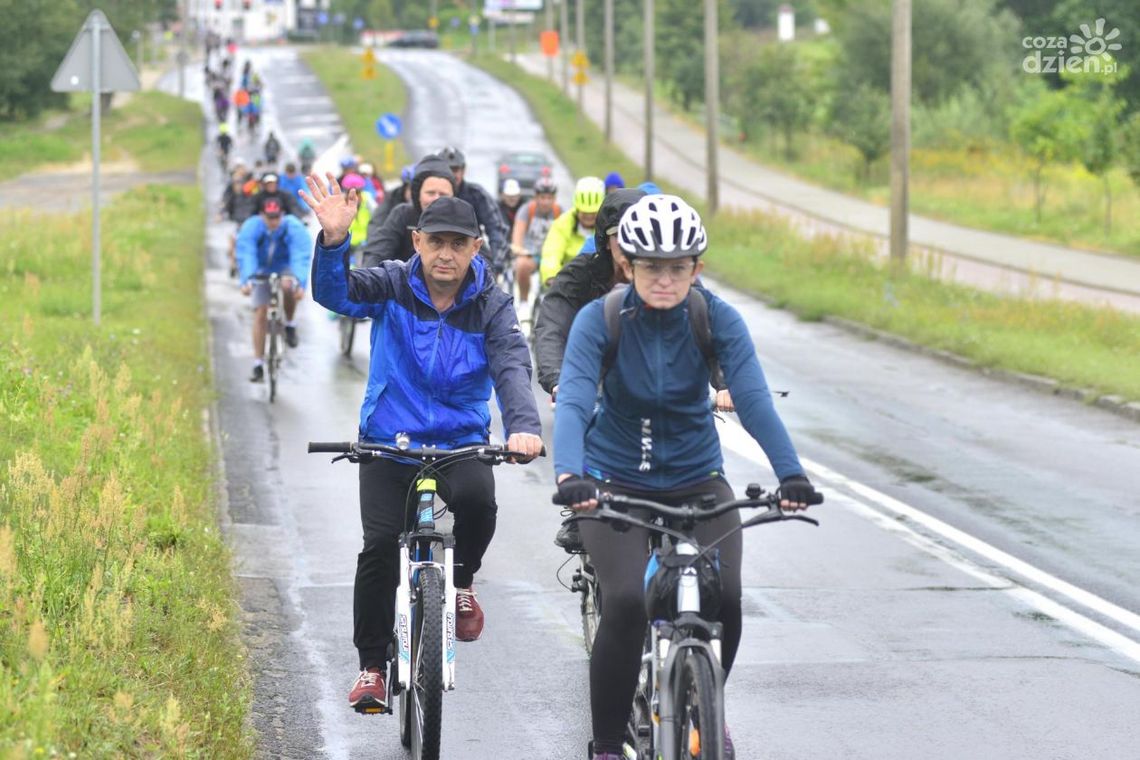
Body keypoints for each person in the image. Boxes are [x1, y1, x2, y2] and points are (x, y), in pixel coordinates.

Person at [552, 195, 819, 760]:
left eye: (678, 267)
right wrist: (571, 473)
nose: (665, 279)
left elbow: (752, 398)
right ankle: (606, 745)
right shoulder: (600, 319)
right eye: (652, 266)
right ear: (627, 263)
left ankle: (705, 703)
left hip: (698, 478)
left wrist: (791, 473)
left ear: (697, 267)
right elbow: (573, 399)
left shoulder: (716, 318)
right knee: (627, 602)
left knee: (729, 598)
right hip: (614, 480)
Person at [301, 175, 544, 713]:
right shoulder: (392, 284)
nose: (445, 254)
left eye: (458, 244)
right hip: (389, 441)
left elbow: (511, 365)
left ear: (475, 248)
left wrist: (523, 427)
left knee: (479, 502)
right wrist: (335, 242)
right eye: (436, 242)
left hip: (459, 441)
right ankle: (371, 666)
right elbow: (334, 294)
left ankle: (462, 582)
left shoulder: (493, 304)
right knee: (379, 547)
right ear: (417, 242)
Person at [236, 198, 313, 381]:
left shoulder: (292, 227)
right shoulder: (252, 226)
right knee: (260, 313)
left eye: (277, 217)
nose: (273, 221)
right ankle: (258, 363)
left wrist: (299, 282)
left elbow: (300, 255)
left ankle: (290, 324)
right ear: (262, 215)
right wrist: (247, 280)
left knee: (288, 287)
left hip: (285, 267)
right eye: (269, 217)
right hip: (261, 269)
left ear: (282, 215)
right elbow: (247, 253)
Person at [360, 154, 455, 267]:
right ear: (418, 195)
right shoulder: (403, 214)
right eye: (430, 193)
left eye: (443, 194)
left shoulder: (462, 217)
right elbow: (378, 249)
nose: (436, 199)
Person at [437, 146, 510, 275]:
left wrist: (496, 261)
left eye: (455, 169)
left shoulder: (477, 194)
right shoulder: (427, 195)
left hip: (471, 251)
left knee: (486, 272)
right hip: (434, 248)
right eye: (446, 170)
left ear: (463, 170)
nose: (451, 175)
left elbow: (496, 228)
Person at [539, 176, 605, 285]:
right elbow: (551, 254)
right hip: (568, 282)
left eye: (593, 213)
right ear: (577, 209)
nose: (589, 217)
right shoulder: (562, 223)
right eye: (584, 213)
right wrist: (552, 277)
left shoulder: (607, 225)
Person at [510, 176, 560, 307]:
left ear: (554, 198)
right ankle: (524, 302)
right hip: (532, 254)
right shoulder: (527, 210)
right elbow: (518, 233)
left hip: (553, 255)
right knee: (521, 265)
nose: (546, 202)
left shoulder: (559, 212)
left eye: (549, 198)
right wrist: (518, 248)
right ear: (536, 197)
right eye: (542, 197)